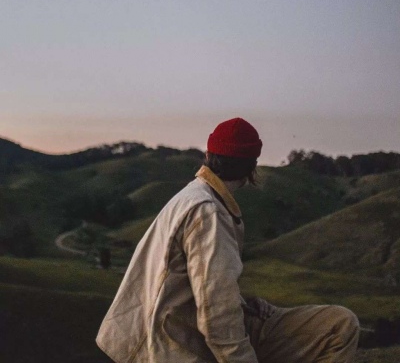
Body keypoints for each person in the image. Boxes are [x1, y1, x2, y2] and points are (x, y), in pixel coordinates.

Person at [96, 117, 360, 363]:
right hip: (173, 345)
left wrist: (249, 307)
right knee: (340, 326)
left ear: (209, 156)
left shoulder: (192, 196)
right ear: (251, 166)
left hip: (167, 333)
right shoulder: (207, 211)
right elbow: (217, 315)